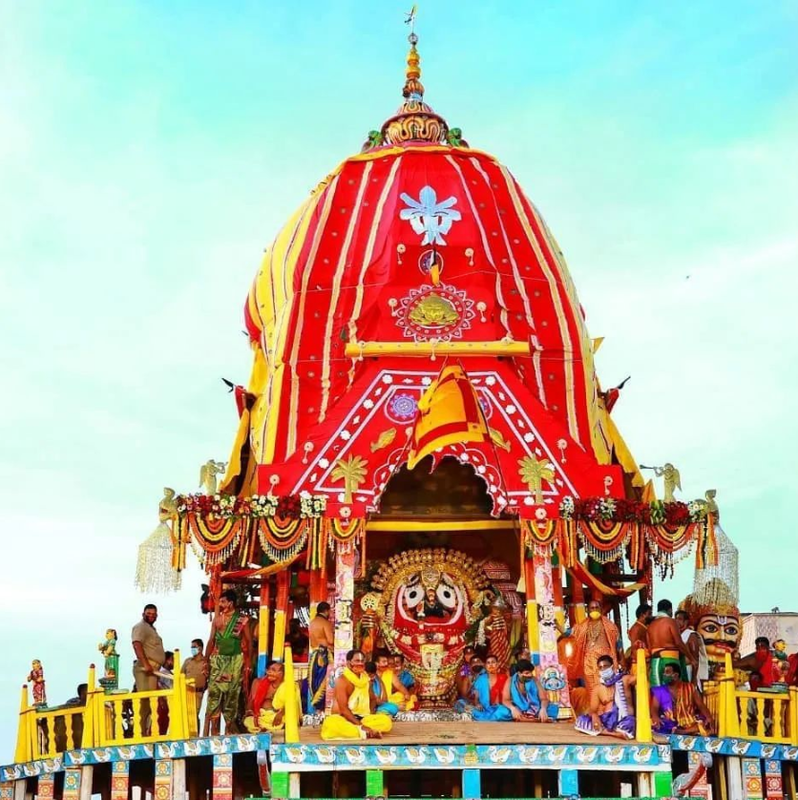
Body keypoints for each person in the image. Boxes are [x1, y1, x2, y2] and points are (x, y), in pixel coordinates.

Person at [205, 589, 252, 735]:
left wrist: (248, 662)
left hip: (235, 660)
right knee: (214, 692)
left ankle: (229, 729)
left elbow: (249, 642)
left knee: (232, 694)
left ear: (230, 603)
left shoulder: (242, 619)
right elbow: (211, 641)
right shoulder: (217, 620)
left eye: (223, 601)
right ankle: (213, 731)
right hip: (218, 661)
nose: (220, 604)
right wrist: (206, 662)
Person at [320, 649, 393, 740]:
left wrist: (369, 715)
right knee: (331, 724)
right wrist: (361, 726)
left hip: (362, 718)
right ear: (348, 663)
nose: (360, 664)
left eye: (362, 661)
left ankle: (361, 732)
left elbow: (373, 699)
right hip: (343, 718)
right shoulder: (342, 680)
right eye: (357, 661)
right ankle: (365, 732)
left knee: (386, 722)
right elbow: (343, 709)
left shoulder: (366, 679)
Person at [575, 655, 636, 740]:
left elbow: (640, 677)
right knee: (581, 720)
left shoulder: (624, 680)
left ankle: (606, 731)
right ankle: (613, 734)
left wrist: (637, 656)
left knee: (631, 722)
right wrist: (595, 717)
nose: (603, 669)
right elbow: (593, 710)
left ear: (612, 666)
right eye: (600, 667)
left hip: (624, 720)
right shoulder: (598, 689)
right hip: (606, 721)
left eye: (605, 666)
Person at [570, 599, 623, 694]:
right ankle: (596, 706)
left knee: (608, 685)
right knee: (592, 688)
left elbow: (618, 643)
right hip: (589, 661)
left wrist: (621, 660)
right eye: (592, 608)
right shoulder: (581, 626)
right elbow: (569, 633)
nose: (594, 610)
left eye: (596, 607)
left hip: (605, 658)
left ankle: (609, 706)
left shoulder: (610, 625)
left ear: (601, 609)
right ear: (587, 610)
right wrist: (557, 625)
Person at [131, 603, 166, 736]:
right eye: (148, 614)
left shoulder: (151, 629)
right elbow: (137, 644)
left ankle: (147, 731)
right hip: (146, 669)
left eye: (153, 614)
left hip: (155, 670)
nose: (151, 616)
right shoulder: (140, 627)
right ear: (143, 614)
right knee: (145, 701)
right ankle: (140, 733)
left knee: (152, 702)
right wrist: (146, 664)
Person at [651, 663, 714, 736]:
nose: (664, 675)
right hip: (670, 721)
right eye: (664, 672)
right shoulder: (660, 690)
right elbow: (654, 707)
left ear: (675, 675)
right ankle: (683, 731)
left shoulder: (689, 687)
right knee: (660, 725)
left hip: (689, 721)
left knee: (702, 721)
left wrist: (709, 717)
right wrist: (655, 716)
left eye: (667, 672)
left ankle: (683, 732)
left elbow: (700, 705)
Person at [647, 599, 694, 687]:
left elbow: (649, 648)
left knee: (659, 693)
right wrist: (691, 658)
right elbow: (678, 643)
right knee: (674, 692)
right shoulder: (671, 622)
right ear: (670, 610)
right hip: (670, 661)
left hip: (655, 662)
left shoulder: (650, 626)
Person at [245, 661, 301, 732]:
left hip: (278, 716)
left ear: (281, 673)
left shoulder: (287, 686)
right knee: (248, 721)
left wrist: (281, 713)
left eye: (273, 670)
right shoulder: (258, 682)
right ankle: (264, 728)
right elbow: (251, 701)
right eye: (268, 670)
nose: (269, 672)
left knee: (287, 720)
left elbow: (292, 703)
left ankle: (266, 728)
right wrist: (252, 713)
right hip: (261, 716)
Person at [308, 602, 334, 711]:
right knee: (325, 681)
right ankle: (324, 709)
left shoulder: (312, 623)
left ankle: (317, 710)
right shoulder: (325, 623)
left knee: (315, 682)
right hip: (324, 654)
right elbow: (330, 640)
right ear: (326, 611)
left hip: (314, 654)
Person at [470, 655, 512, 721]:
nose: (491, 665)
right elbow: (476, 698)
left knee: (503, 712)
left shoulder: (504, 678)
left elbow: (510, 698)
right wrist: (478, 704)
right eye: (488, 663)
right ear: (485, 666)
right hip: (485, 709)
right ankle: (490, 718)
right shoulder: (481, 679)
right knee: (471, 710)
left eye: (493, 662)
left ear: (497, 664)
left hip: (500, 708)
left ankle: (487, 719)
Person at [675, 610, 709, 688]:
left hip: (688, 671)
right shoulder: (677, 635)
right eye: (676, 619)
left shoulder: (691, 635)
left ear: (686, 621)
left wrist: (693, 679)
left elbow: (695, 658)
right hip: (678, 672)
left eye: (679, 619)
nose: (677, 621)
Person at [182, 637, 209, 728]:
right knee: (185, 715)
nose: (192, 649)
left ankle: (195, 735)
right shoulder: (187, 661)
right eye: (191, 647)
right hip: (186, 692)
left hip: (198, 692)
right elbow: (180, 676)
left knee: (194, 714)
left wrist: (204, 689)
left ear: (200, 648)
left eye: (194, 647)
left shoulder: (206, 662)